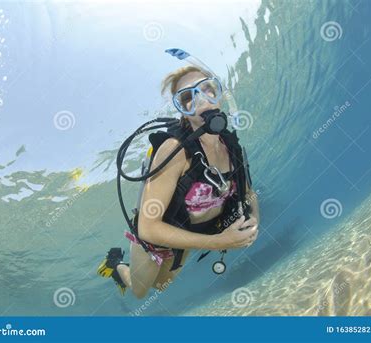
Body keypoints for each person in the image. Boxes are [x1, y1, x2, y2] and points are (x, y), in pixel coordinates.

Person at [97, 64, 260, 299]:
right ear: (183, 111)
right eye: (188, 98)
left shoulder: (231, 147)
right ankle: (116, 265)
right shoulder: (174, 151)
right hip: (153, 240)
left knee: (160, 286)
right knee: (140, 291)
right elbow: (148, 227)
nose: (202, 99)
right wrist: (220, 241)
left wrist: (254, 221)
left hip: (185, 238)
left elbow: (248, 193)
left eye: (207, 89)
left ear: (219, 95)